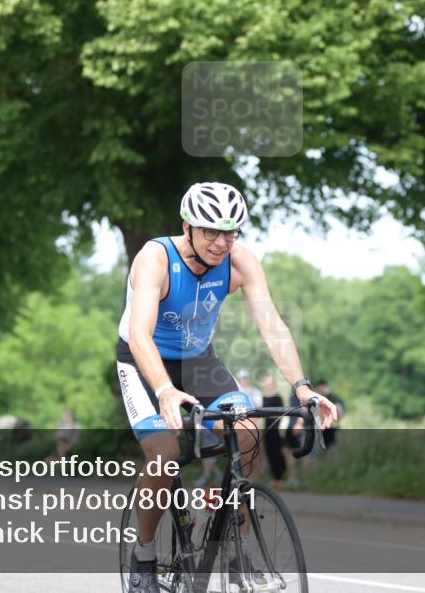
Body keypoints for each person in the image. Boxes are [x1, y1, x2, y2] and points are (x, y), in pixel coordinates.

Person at [116, 182, 338, 593]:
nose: (221, 243)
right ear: (188, 226)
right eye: (210, 232)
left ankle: (236, 544)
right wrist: (164, 390)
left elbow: (272, 326)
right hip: (144, 361)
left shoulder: (241, 263)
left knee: (248, 433)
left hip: (199, 362)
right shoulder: (156, 258)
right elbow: (139, 333)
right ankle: (144, 555)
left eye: (230, 232)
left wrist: (302, 388)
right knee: (165, 455)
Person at [260, 375, 287, 486]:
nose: (268, 385)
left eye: (270, 383)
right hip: (267, 430)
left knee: (277, 453)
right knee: (269, 452)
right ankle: (274, 478)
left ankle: (279, 477)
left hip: (276, 430)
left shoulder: (278, 397)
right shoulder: (264, 397)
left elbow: (281, 414)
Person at [313, 379, 345, 449]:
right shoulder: (333, 397)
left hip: (331, 427)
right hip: (328, 427)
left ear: (323, 386)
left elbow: (339, 413)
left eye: (320, 388)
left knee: (331, 448)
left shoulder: (330, 398)